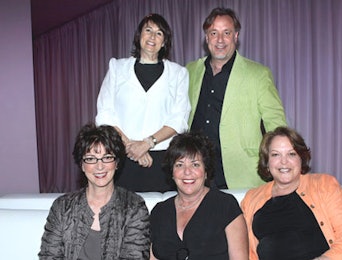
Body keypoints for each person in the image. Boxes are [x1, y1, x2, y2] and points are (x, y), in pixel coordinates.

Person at [186, 7, 287, 190]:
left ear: (236, 36)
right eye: (214, 33)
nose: (220, 40)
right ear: (206, 37)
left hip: (241, 172)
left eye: (227, 33)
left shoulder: (258, 74)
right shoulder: (190, 71)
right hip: (195, 174)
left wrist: (280, 163)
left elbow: (276, 123)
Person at [241, 126, 342, 260]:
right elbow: (242, 250)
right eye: (275, 155)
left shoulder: (324, 185)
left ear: (301, 159)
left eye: (291, 154)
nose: (284, 161)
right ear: (267, 162)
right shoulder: (251, 199)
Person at [96, 13, 191, 192]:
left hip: (162, 159)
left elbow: (179, 119)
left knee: (161, 214)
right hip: (123, 155)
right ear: (139, 36)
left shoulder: (178, 73)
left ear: (164, 42)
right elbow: (104, 114)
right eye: (148, 30)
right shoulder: (117, 68)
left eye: (159, 33)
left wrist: (147, 143)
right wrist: (131, 147)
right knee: (124, 213)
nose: (152, 36)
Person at [38, 123, 150, 259]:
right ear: (82, 165)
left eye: (107, 157)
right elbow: (49, 256)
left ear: (117, 163)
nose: (100, 166)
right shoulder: (62, 207)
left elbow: (135, 257)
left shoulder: (133, 207)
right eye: (91, 159)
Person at [149, 132, 248, 260]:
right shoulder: (159, 212)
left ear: (206, 171)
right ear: (172, 172)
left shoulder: (226, 205)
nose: (187, 172)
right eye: (179, 165)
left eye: (195, 164)